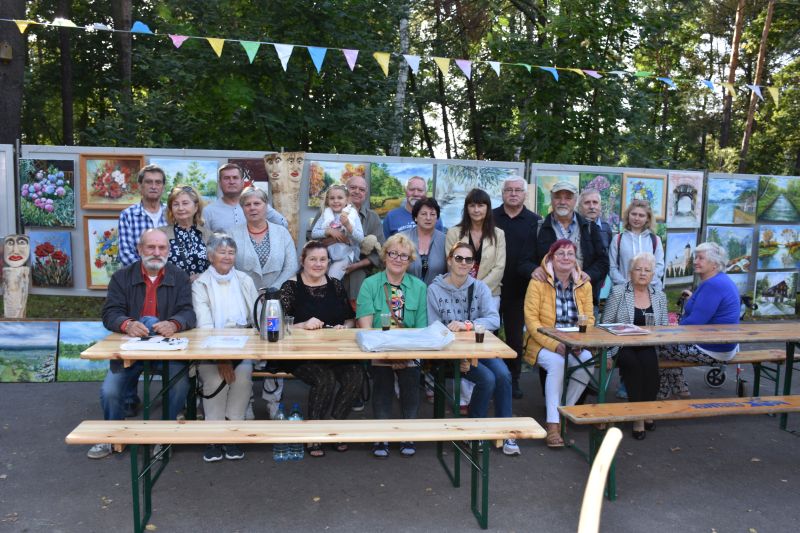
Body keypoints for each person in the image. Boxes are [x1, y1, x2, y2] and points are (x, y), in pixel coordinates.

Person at [88, 229, 196, 459]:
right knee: (110, 391)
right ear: (139, 249)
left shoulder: (180, 277)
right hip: (131, 347)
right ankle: (113, 436)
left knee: (180, 386)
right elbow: (110, 313)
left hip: (167, 347)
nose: (156, 252)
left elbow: (188, 312)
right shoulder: (121, 277)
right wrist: (126, 324)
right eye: (151, 247)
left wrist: (174, 323)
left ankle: (164, 436)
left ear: (168, 250)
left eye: (162, 248)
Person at [426, 242, 519, 456]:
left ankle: (505, 431)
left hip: (478, 349)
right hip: (449, 353)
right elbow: (432, 326)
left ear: (473, 264)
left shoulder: (480, 287)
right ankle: (473, 431)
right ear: (449, 261)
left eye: (468, 259)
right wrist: (458, 352)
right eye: (458, 258)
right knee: (487, 379)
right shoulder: (434, 289)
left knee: (504, 375)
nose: (463, 263)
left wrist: (467, 325)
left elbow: (494, 320)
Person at [279, 240, 362, 457]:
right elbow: (277, 326)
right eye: (313, 259)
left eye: (323, 259)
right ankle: (313, 433)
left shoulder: (336, 285)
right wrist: (302, 325)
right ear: (303, 261)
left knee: (356, 376)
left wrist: (344, 327)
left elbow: (350, 319)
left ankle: (334, 427)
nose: (318, 264)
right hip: (299, 354)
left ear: (328, 262)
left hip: (333, 352)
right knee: (325, 379)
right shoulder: (290, 287)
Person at [356, 233, 428, 458]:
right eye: (393, 253)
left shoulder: (419, 287)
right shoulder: (370, 284)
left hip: (410, 349)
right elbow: (366, 327)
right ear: (385, 256)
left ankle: (408, 434)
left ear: (410, 260)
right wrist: (387, 354)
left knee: (411, 382)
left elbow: (421, 330)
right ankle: (381, 435)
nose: (398, 259)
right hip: (378, 348)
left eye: (403, 255)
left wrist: (404, 355)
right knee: (382, 382)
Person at [191, 234, 258, 462]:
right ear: (211, 256)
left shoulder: (245, 280)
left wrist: (237, 356)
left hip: (243, 346)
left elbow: (255, 317)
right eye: (222, 252)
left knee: (242, 378)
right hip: (209, 347)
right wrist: (222, 358)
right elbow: (204, 326)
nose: (227, 257)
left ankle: (233, 433)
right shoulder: (200, 284)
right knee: (215, 380)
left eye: (231, 252)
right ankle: (213, 435)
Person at [523, 239, 593, 448]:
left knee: (588, 362)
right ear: (551, 257)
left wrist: (578, 342)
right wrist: (555, 345)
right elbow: (531, 321)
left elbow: (589, 319)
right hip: (542, 342)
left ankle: (563, 413)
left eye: (570, 254)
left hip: (574, 342)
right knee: (557, 363)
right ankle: (553, 425)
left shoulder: (584, 284)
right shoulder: (538, 281)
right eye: (560, 253)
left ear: (575, 259)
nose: (565, 257)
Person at [657, 242, 741, 398]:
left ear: (714, 264)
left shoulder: (713, 285)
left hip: (713, 350)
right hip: (724, 345)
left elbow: (694, 323)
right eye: (695, 257)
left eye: (701, 258)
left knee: (656, 348)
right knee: (666, 347)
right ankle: (679, 388)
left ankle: (663, 393)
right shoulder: (719, 280)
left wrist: (671, 328)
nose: (695, 261)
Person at [601, 252, 667, 439]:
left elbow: (664, 327)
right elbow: (604, 325)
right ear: (630, 272)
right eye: (638, 269)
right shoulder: (619, 292)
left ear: (653, 274)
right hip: (621, 345)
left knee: (651, 367)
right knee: (634, 367)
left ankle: (647, 411)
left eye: (647, 270)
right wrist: (606, 354)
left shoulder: (659, 296)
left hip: (647, 344)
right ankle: (638, 418)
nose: (643, 273)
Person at [493, 176, 541, 399]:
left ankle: (513, 380)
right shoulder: (491, 217)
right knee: (489, 336)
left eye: (517, 190)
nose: (513, 194)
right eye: (509, 190)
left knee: (514, 339)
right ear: (502, 193)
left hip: (520, 290)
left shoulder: (535, 221)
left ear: (525, 194)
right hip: (491, 288)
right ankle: (491, 379)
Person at [524, 181, 609, 306]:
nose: (562, 202)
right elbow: (523, 261)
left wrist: (590, 274)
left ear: (575, 201)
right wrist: (533, 269)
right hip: (546, 299)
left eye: (568, 198)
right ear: (551, 200)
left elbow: (603, 261)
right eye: (557, 197)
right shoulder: (538, 228)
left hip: (582, 298)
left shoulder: (590, 228)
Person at [445, 188, 506, 307]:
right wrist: (466, 289)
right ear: (466, 208)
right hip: (459, 293)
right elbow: (451, 264)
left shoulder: (498, 234)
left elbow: (499, 267)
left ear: (488, 208)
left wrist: (477, 289)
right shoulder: (453, 233)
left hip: (490, 294)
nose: (476, 210)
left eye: (480, 205)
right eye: (472, 206)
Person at [228, 186, 297, 291]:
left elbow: (291, 266)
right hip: (242, 294)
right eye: (247, 204)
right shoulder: (232, 234)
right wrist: (246, 290)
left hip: (277, 295)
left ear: (266, 206)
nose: (252, 208)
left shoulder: (282, 233)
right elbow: (227, 266)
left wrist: (273, 289)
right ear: (242, 208)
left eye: (257, 203)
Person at [203, 163, 287, 233]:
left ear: (242, 182)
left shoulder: (257, 206)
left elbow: (283, 224)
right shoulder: (209, 211)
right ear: (220, 183)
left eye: (235, 178)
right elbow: (205, 241)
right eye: (226, 178)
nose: (231, 182)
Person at [158, 185, 212, 282]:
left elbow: (218, 267)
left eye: (185, 203)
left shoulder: (208, 236)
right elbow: (154, 266)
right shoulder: (160, 234)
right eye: (176, 204)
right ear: (171, 209)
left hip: (202, 289)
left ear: (196, 207)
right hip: (172, 289)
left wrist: (202, 276)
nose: (180, 208)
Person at [609, 199, 665, 290]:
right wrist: (626, 285)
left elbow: (659, 266)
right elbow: (612, 267)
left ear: (647, 218)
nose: (636, 218)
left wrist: (645, 283)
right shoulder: (618, 239)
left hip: (651, 290)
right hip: (624, 290)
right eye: (634, 214)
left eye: (641, 215)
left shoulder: (655, 240)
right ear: (628, 215)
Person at [310, 185, 364, 280]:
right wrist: (328, 231)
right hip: (326, 254)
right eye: (332, 198)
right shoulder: (325, 214)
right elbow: (314, 233)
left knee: (331, 279)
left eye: (340, 198)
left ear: (347, 200)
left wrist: (348, 225)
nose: (335, 201)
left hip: (345, 255)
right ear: (328, 200)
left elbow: (360, 238)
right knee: (317, 278)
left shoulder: (352, 215)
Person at [118, 164, 167, 266]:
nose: (153, 187)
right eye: (149, 182)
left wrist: (167, 273)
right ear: (140, 186)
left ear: (163, 187)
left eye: (158, 182)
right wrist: (149, 272)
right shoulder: (128, 215)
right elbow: (126, 254)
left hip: (171, 275)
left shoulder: (172, 214)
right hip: (139, 275)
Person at [402, 197, 447, 285]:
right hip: (406, 290)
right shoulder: (403, 238)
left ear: (437, 218)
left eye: (432, 214)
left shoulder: (445, 240)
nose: (428, 218)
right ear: (415, 217)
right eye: (423, 214)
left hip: (437, 291)